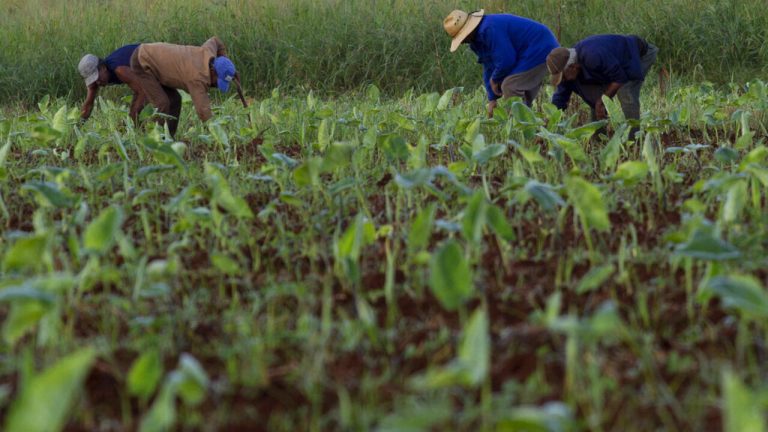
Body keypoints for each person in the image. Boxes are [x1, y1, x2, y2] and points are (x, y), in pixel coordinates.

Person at [443, 9, 559, 117]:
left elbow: (506, 60)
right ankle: (528, 125)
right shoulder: (476, 41)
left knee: (510, 86)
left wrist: (494, 79)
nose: (462, 42)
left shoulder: (489, 29)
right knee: (517, 93)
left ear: (468, 31)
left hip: (541, 46)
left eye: (461, 38)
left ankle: (520, 124)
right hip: (527, 51)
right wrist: (492, 99)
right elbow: (488, 66)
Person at [129, 36, 241, 138]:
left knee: (175, 100)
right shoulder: (197, 78)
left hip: (158, 63)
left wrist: (225, 63)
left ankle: (169, 138)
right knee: (162, 103)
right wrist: (218, 135)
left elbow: (216, 40)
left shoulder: (208, 52)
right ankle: (154, 140)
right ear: (212, 70)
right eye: (217, 82)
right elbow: (203, 111)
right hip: (143, 61)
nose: (215, 85)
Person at [547, 34, 658, 126]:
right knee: (594, 97)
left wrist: (601, 100)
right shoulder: (568, 65)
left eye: (563, 76)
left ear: (573, 67)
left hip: (637, 55)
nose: (563, 80)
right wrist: (549, 123)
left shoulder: (592, 56)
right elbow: (560, 98)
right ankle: (599, 138)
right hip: (614, 64)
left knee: (625, 91)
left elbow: (620, 78)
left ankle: (634, 139)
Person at [78, 44, 146, 123]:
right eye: (92, 80)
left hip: (153, 60)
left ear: (103, 68)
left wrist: (131, 118)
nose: (97, 82)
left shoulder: (120, 69)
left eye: (96, 77)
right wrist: (79, 125)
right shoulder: (96, 82)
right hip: (145, 74)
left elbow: (144, 91)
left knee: (154, 106)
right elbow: (88, 105)